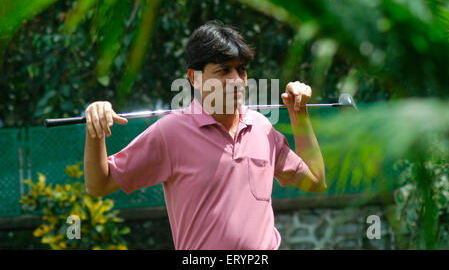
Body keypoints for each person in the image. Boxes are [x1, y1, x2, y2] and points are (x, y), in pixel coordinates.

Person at [83, 20, 326, 250]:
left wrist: (299, 113)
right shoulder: (171, 133)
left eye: (241, 70)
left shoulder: (262, 128)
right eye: (223, 71)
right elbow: (99, 185)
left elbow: (316, 181)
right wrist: (95, 131)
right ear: (194, 78)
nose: (236, 81)